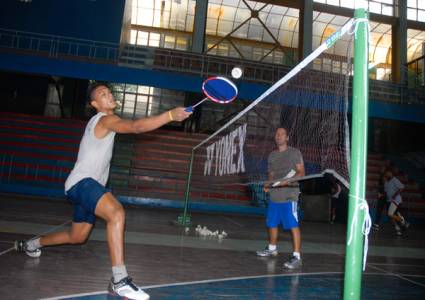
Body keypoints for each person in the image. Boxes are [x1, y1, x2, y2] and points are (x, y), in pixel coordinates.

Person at [15, 83, 191, 300]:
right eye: (103, 94)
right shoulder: (104, 119)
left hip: (81, 186)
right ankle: (119, 280)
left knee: (77, 236)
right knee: (116, 213)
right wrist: (170, 115)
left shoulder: (103, 122)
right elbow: (136, 127)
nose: (109, 95)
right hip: (82, 183)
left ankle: (32, 244)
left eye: (109, 92)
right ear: (95, 104)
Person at [256, 127, 305, 270]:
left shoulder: (294, 153)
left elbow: (301, 172)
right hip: (275, 195)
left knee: (292, 225)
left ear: (287, 137)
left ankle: (297, 256)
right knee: (272, 223)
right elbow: (271, 174)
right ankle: (272, 248)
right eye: (277, 134)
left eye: (282, 134)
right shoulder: (272, 155)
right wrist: (268, 184)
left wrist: (287, 181)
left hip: (289, 195)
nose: (278, 136)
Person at [384, 168, 409, 236]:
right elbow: (386, 192)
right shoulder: (387, 182)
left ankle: (403, 221)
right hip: (389, 200)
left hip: (395, 200)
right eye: (386, 173)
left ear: (391, 173)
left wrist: (395, 194)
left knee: (390, 214)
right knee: (392, 216)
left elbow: (402, 187)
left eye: (388, 173)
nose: (387, 174)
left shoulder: (394, 180)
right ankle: (398, 228)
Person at [372, 164, 389, 230]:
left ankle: (377, 224)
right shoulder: (382, 176)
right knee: (382, 210)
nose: (380, 169)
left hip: (383, 196)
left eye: (382, 168)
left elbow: (385, 186)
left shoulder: (384, 177)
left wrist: (376, 186)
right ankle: (376, 224)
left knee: (381, 210)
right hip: (383, 195)